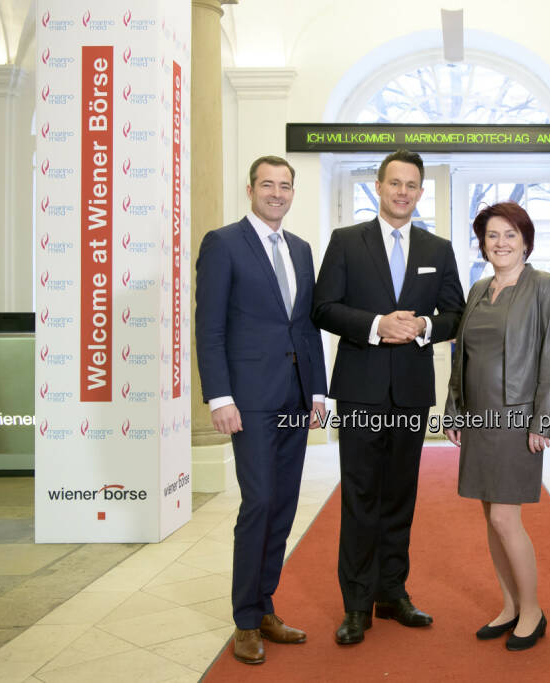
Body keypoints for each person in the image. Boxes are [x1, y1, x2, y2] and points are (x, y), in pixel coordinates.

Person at [312, 149, 465, 645]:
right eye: (394, 183)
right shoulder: (346, 242)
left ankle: (391, 592)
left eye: (412, 185)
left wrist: (423, 326)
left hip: (411, 395)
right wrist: (377, 325)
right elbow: (323, 308)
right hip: (360, 391)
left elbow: (456, 313)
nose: (403, 192)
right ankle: (356, 604)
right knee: (360, 497)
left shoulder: (437, 249)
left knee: (400, 496)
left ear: (421, 192)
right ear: (377, 186)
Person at [195, 155, 328, 665]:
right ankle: (245, 620)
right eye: (268, 184)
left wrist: (316, 391)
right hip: (248, 400)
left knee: (283, 505)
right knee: (259, 502)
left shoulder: (299, 249)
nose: (277, 193)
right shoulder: (223, 243)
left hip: (295, 397)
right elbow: (210, 327)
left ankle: (266, 605)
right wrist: (220, 397)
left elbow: (305, 326)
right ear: (250, 189)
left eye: (285, 186)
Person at [444, 202, 550, 651]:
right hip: (478, 418)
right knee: (489, 518)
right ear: (482, 243)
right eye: (492, 235)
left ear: (526, 241)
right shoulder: (478, 289)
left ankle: (533, 611)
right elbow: (462, 356)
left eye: (510, 234)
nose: (500, 243)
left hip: (517, 419)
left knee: (505, 516)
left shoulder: (544, 287)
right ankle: (510, 605)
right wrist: (454, 409)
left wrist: (543, 420)